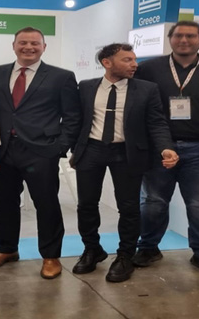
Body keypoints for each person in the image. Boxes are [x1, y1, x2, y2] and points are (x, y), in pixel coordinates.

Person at [0, 27, 81, 279]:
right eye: (23, 42)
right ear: (13, 45)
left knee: (46, 204)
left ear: (44, 47)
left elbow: (72, 116)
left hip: (41, 151)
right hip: (2, 150)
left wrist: (59, 147)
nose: (28, 47)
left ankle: (51, 256)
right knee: (4, 203)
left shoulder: (61, 77)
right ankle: (6, 249)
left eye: (35, 43)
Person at [71, 43, 178, 282]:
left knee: (128, 207)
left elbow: (157, 122)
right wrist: (74, 150)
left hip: (127, 152)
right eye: (127, 60)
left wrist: (166, 148)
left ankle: (125, 255)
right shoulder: (86, 87)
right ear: (107, 63)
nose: (134, 65)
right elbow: (77, 120)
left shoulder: (147, 89)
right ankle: (92, 249)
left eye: (134, 59)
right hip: (91, 149)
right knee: (86, 204)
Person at [133, 20, 199, 277]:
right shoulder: (148, 69)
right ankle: (148, 248)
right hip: (159, 148)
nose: (183, 40)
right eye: (178, 36)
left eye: (190, 36)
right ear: (170, 39)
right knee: (153, 202)